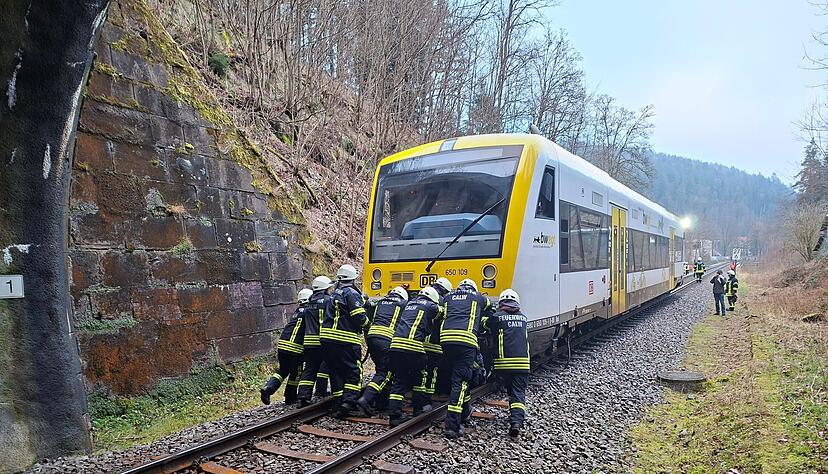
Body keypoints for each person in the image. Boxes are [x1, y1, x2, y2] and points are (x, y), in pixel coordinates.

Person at [440, 278, 492, 439]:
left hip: (446, 341)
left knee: (456, 378)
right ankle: (452, 426)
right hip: (466, 342)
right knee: (460, 382)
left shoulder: (448, 297)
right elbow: (490, 308)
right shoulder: (478, 296)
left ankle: (465, 411)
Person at [386, 286, 443, 426]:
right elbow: (443, 312)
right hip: (413, 347)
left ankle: (394, 416)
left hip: (395, 345)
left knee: (398, 381)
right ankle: (418, 409)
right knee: (420, 378)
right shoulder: (430, 305)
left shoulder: (409, 303)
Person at [321, 264, 368, 417]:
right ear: (353, 279)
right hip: (345, 339)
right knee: (354, 371)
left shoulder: (333, 294)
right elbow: (359, 317)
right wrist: (369, 325)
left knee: (336, 371)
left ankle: (338, 402)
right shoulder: (351, 293)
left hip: (327, 341)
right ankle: (348, 403)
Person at [482, 289, 530, 437]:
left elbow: (485, 324)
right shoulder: (523, 318)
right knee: (518, 393)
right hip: (523, 364)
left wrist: (488, 313)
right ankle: (516, 421)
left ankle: (495, 384)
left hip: (504, 364)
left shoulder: (498, 317)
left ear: (502, 303)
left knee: (509, 389)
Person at [355, 286, 409, 415]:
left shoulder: (380, 301)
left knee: (380, 369)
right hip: (386, 339)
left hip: (372, 338)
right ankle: (365, 399)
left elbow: (366, 304)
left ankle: (381, 403)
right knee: (386, 372)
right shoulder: (403, 303)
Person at [260, 288, 313, 405]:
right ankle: (290, 397)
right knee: (297, 372)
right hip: (295, 348)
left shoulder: (297, 311)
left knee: (283, 370)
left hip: (283, 346)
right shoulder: (309, 312)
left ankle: (268, 388)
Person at [413, 277, 453, 411]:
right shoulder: (442, 302)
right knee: (432, 373)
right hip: (435, 344)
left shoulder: (418, 300)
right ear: (445, 291)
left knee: (421, 372)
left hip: (421, 343)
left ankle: (417, 398)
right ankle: (427, 400)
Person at [296, 275, 335, 407]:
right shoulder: (329, 301)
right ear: (324, 289)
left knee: (310, 369)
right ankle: (321, 391)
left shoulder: (309, 302)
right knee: (326, 365)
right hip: (322, 340)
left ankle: (302, 396)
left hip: (308, 342)